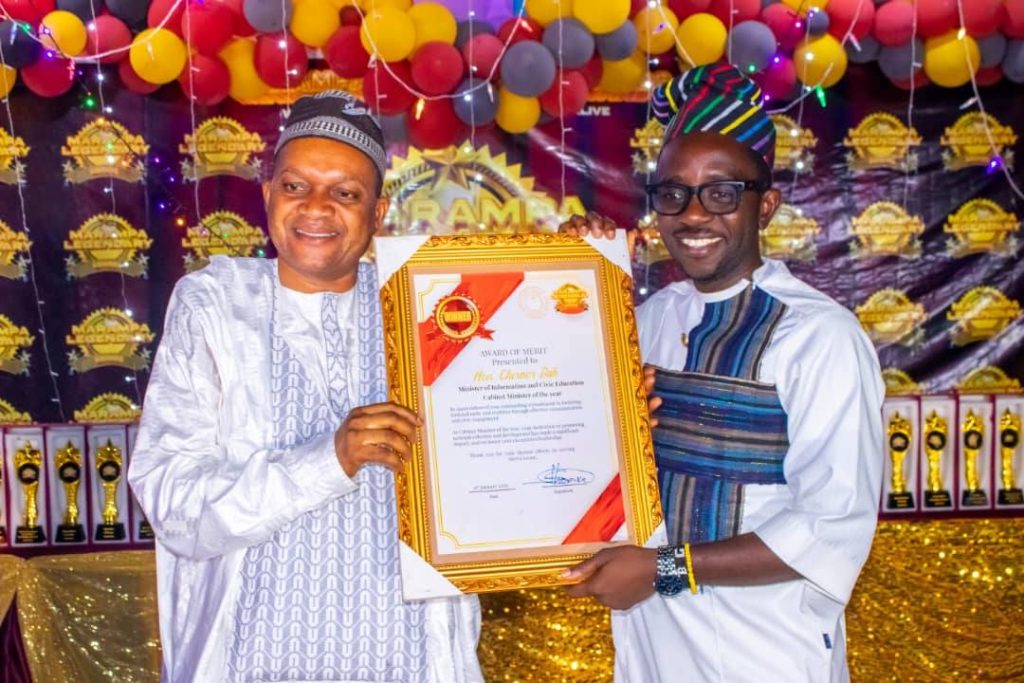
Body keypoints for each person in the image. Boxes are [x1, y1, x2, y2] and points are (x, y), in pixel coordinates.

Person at [129, 91, 482, 683]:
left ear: (377, 211)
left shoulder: (426, 308)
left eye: (345, 193)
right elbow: (174, 505)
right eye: (296, 186)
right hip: (250, 662)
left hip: (412, 659)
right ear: (268, 193)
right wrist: (328, 459)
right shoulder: (215, 304)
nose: (316, 208)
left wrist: (589, 284)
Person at [561, 64, 884, 682]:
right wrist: (571, 272)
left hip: (763, 653)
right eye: (673, 193)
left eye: (722, 193)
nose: (693, 214)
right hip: (653, 650)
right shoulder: (647, 320)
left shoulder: (817, 336)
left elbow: (828, 525)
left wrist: (662, 570)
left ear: (766, 206)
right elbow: (567, 419)